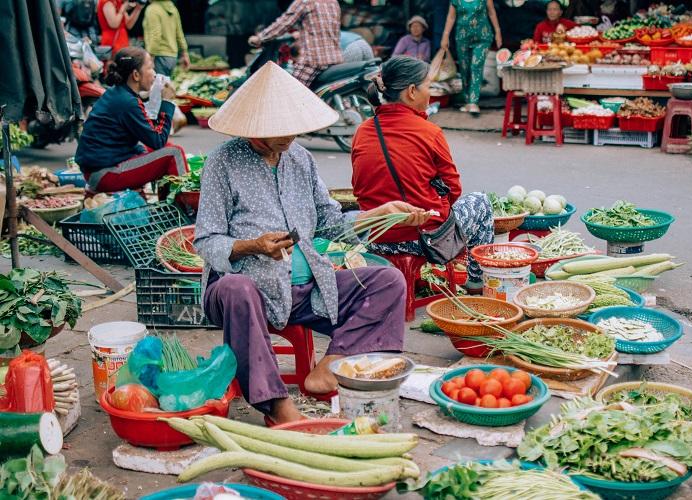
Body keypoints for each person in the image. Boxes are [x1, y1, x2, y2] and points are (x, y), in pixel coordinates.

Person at [194, 61, 430, 424]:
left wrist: (382, 213)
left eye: (295, 127)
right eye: (281, 130)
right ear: (256, 128)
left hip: (307, 289)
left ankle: (333, 364)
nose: (292, 136)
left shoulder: (299, 159)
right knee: (237, 287)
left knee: (389, 281)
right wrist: (255, 246)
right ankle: (276, 406)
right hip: (245, 292)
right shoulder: (222, 163)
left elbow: (331, 221)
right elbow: (207, 241)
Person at [351, 56, 494, 294]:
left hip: (373, 237)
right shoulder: (429, 132)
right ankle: (476, 282)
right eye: (428, 86)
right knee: (481, 202)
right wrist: (434, 208)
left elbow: (359, 187)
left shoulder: (362, 131)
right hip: (424, 241)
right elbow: (454, 190)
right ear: (411, 91)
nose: (431, 93)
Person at [75, 47, 187, 193]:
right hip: (105, 174)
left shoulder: (118, 93)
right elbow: (157, 140)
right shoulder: (126, 102)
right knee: (174, 153)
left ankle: (167, 208)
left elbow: (150, 136)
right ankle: (187, 207)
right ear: (136, 75)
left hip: (100, 168)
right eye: (150, 68)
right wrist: (166, 102)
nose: (154, 74)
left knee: (164, 148)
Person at [248, 0, 342, 87]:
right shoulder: (333, 2)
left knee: (290, 94)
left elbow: (284, 23)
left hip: (314, 60)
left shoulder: (305, 2)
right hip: (335, 58)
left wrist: (260, 38)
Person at [441, 0, 503, 116]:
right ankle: (467, 100)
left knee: (476, 66)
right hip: (462, 37)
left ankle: (473, 102)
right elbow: (451, 17)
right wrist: (445, 36)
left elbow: (491, 12)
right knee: (465, 69)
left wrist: (498, 32)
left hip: (483, 37)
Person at [143, 0, 190, 76]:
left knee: (158, 86)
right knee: (167, 86)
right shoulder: (173, 9)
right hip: (172, 57)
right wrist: (185, 54)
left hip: (158, 57)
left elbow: (156, 36)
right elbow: (179, 34)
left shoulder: (152, 9)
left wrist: (150, 57)